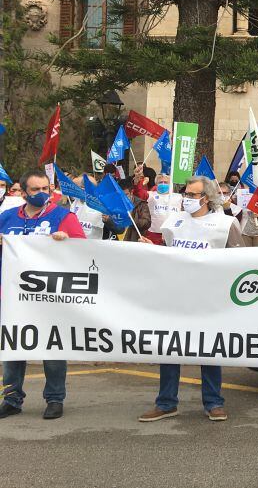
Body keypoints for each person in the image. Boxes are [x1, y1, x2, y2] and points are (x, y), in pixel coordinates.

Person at [138, 176, 241, 422]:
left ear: (207, 198)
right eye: (186, 193)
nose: (187, 199)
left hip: (209, 298)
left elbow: (240, 259)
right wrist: (150, 248)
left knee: (209, 350)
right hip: (176, 295)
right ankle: (166, 403)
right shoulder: (174, 221)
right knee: (170, 349)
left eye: (193, 195)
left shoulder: (225, 224)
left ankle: (214, 402)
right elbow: (168, 254)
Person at [0, 170, 86, 420]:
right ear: (23, 192)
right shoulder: (6, 217)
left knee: (53, 349)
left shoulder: (63, 216)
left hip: (50, 296)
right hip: (13, 296)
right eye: (35, 190)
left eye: (45, 189)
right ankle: (12, 398)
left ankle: (55, 398)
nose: (41, 194)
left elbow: (84, 250)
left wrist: (67, 240)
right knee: (14, 347)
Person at [102, 177, 151, 241]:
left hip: (133, 243)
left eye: (125, 195)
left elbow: (147, 223)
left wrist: (131, 220)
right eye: (120, 195)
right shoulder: (114, 204)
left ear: (132, 192)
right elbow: (113, 228)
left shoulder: (141, 204)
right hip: (116, 242)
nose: (123, 198)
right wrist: (108, 220)